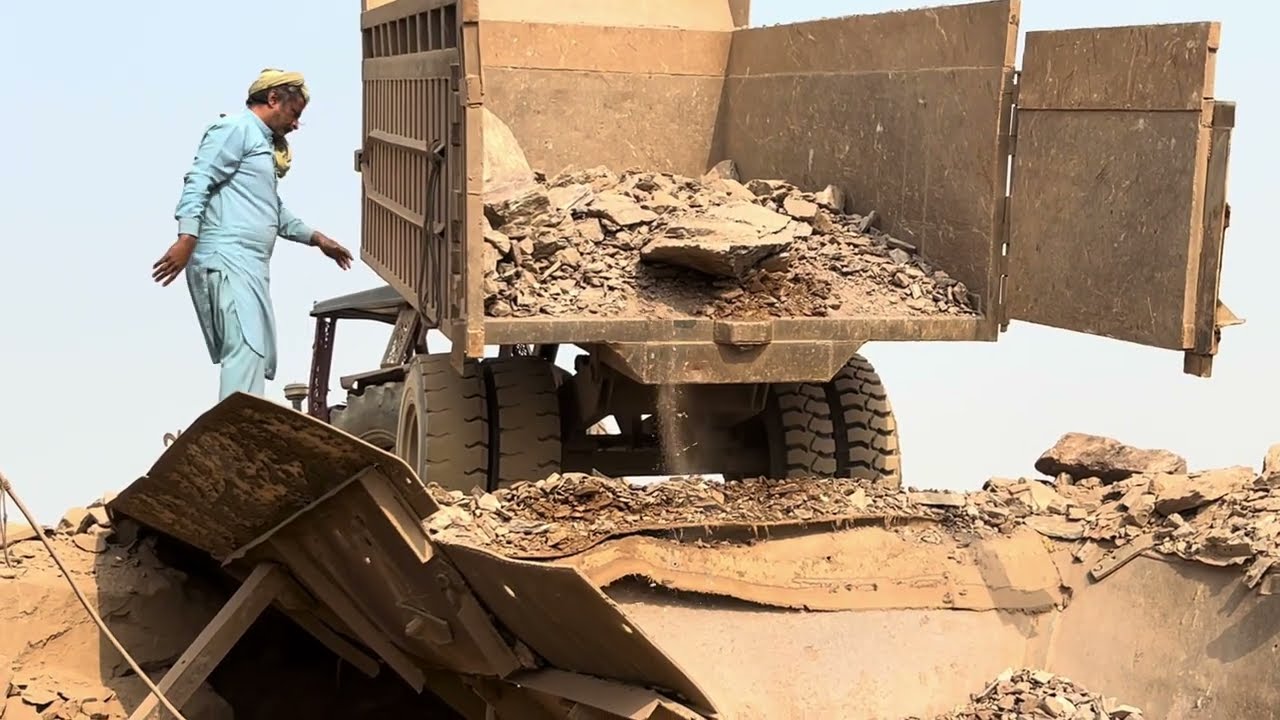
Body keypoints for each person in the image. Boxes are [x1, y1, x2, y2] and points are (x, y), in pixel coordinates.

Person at [152, 69, 353, 401]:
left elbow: (270, 208)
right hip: (227, 257)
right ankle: (233, 433)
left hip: (251, 265)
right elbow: (199, 180)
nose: (295, 125)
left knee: (256, 353)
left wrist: (317, 238)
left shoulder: (260, 144)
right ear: (273, 99)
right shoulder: (234, 130)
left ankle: (244, 426)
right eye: (294, 114)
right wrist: (187, 237)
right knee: (244, 346)